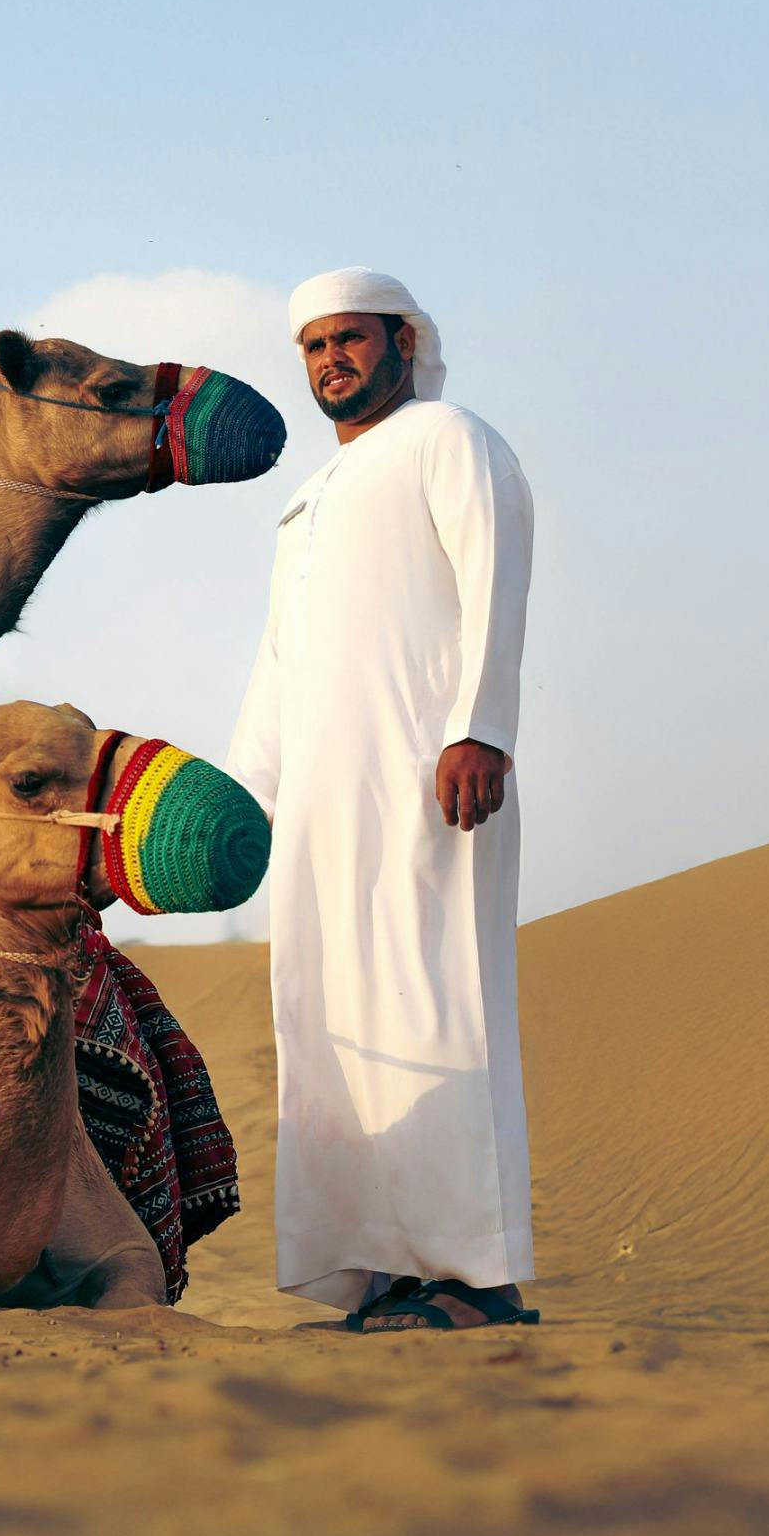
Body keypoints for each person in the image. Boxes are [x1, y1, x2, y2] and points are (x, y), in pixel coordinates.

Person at [226, 269, 539, 1333]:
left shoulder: (447, 437)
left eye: (349, 340)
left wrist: (479, 727)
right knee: (335, 1024)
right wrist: (244, 800)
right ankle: (384, 1269)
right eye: (312, 346)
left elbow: (495, 574)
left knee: (430, 999)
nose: (330, 361)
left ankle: (475, 1276)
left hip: (426, 783)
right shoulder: (307, 501)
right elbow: (278, 666)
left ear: (402, 341)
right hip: (320, 806)